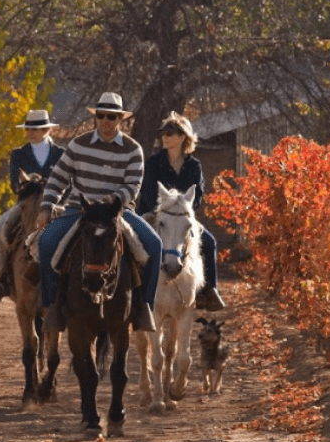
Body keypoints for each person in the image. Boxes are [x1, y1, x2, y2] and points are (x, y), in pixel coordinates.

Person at [35, 92, 162, 332]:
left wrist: (112, 200)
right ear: (95, 118)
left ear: (120, 120)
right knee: (46, 242)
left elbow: (133, 186)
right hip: (79, 209)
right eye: (101, 116)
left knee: (154, 246)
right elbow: (58, 179)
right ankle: (53, 305)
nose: (106, 121)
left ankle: (144, 307)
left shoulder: (133, 149)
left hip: (117, 212)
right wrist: (46, 207)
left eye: (112, 117)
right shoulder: (78, 144)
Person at [136, 112, 226, 311]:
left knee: (209, 243)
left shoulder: (194, 166)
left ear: (183, 137)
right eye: (163, 133)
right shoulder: (152, 162)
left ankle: (208, 291)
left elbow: (198, 195)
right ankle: (132, 291)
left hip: (182, 217)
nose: (165, 137)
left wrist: (183, 212)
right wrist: (164, 211)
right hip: (153, 214)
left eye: (170, 133)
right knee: (134, 241)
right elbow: (148, 193)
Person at [0, 109, 65, 302]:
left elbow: (68, 182)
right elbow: (14, 185)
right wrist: (30, 183)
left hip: (56, 205)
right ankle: (2, 277)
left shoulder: (61, 153)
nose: (30, 133)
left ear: (46, 130)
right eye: (28, 129)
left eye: (35, 129)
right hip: (26, 205)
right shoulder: (18, 154)